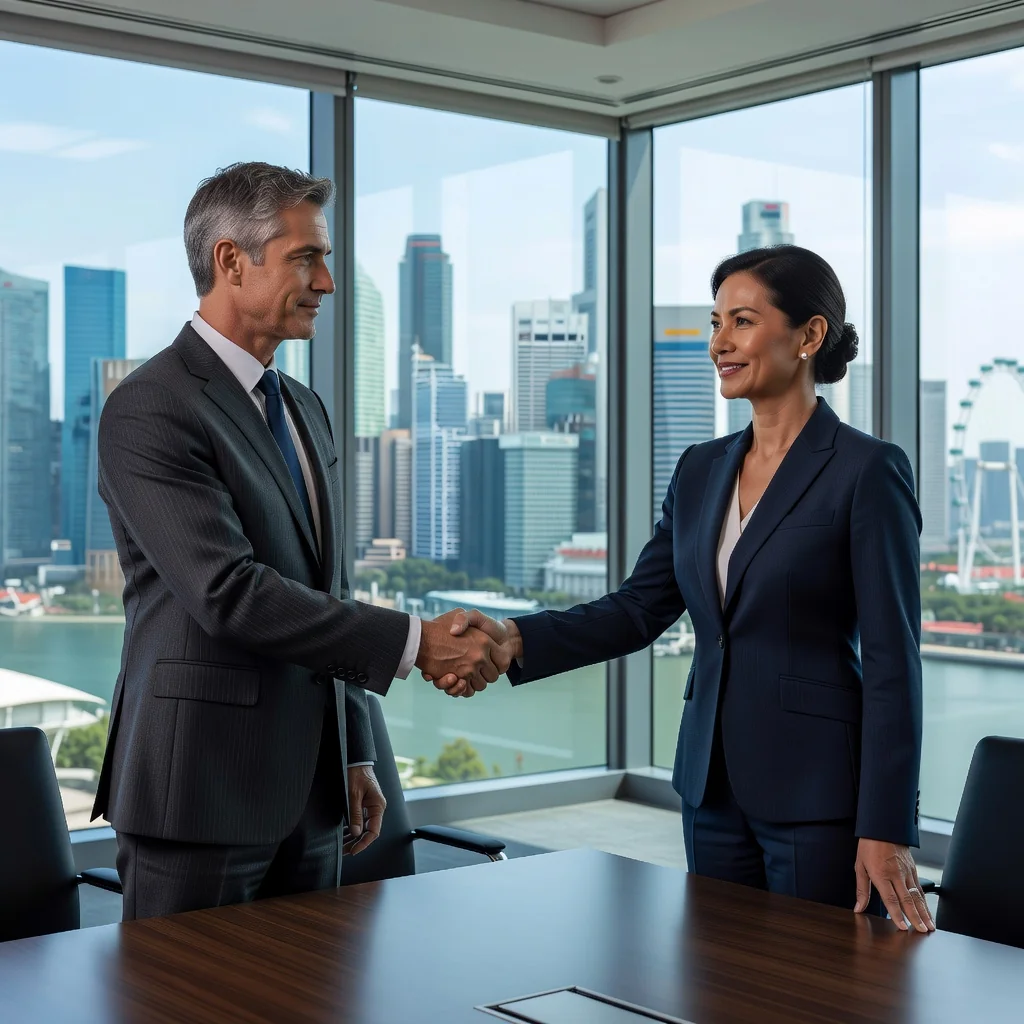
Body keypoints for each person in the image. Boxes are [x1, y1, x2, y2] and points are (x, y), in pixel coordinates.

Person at [434, 245, 934, 933]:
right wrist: (516, 638)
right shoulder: (701, 468)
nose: (719, 343)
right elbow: (640, 608)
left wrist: (887, 826)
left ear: (810, 336)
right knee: (718, 985)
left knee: (816, 992)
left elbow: (892, 661)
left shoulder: (866, 470)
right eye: (715, 322)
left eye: (743, 322)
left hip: (819, 797)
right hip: (709, 787)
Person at [92, 161, 508, 920]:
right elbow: (229, 593)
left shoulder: (306, 409)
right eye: (306, 257)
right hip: (200, 794)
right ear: (229, 260)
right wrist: (417, 641)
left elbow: (326, 593)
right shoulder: (151, 407)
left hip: (317, 796)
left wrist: (352, 748)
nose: (328, 282)